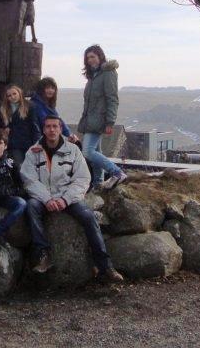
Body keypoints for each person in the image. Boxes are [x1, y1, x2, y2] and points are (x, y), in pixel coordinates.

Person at [20, 116, 123, 281]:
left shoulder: (73, 150)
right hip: (43, 198)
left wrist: (65, 200)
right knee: (31, 207)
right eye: (48, 127)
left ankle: (105, 267)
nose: (52, 130)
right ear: (43, 129)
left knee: (88, 217)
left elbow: (82, 179)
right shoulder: (33, 152)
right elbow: (29, 180)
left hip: (67, 197)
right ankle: (43, 255)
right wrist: (47, 199)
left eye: (55, 126)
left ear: (60, 129)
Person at [77, 45, 127, 190]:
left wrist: (110, 122)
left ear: (100, 56)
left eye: (93, 56)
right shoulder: (93, 76)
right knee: (96, 152)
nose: (90, 60)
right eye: (88, 58)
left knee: (88, 151)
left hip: (98, 121)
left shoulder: (108, 73)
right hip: (89, 121)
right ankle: (98, 184)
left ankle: (117, 173)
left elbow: (112, 99)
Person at [0, 84, 41, 165]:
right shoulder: (3, 109)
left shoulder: (29, 106)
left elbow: (34, 125)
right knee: (18, 166)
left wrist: (37, 143)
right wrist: (5, 128)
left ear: (19, 93)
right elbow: (1, 124)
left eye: (14, 94)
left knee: (31, 166)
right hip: (13, 144)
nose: (12, 97)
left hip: (28, 141)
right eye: (9, 95)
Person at [30, 76, 78, 142]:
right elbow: (45, 121)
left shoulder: (48, 104)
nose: (50, 90)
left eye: (52, 88)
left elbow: (58, 119)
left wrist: (69, 134)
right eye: (47, 88)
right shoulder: (35, 104)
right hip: (37, 140)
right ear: (41, 90)